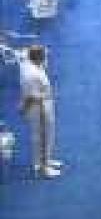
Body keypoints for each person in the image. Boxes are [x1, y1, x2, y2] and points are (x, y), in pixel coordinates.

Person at [19, 45, 62, 179]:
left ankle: (45, 160)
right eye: (44, 56)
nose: (46, 58)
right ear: (38, 58)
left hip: (44, 104)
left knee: (48, 135)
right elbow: (31, 97)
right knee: (43, 137)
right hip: (40, 109)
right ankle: (43, 169)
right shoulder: (32, 75)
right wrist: (24, 109)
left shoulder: (30, 64)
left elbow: (25, 52)